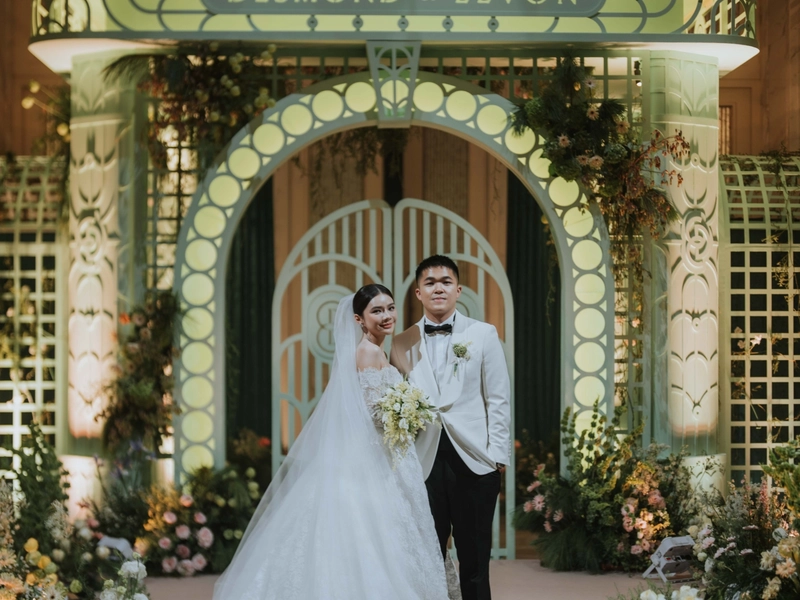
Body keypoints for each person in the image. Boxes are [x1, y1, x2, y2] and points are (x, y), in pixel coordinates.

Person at [212, 284, 456, 600]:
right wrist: (405, 415)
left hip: (388, 453)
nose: (387, 316)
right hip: (374, 458)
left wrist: (407, 411)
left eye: (390, 308)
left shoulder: (378, 350)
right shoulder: (367, 353)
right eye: (377, 311)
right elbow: (372, 414)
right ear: (359, 319)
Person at [390, 255, 511, 600]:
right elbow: (396, 403)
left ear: (458, 290)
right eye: (430, 283)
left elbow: (498, 398)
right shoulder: (402, 343)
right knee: (428, 560)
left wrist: (497, 455)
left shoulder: (483, 334)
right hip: (423, 465)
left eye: (445, 281)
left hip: (475, 460)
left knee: (475, 562)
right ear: (418, 293)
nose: (438, 287)